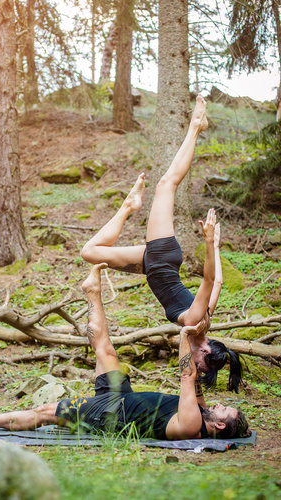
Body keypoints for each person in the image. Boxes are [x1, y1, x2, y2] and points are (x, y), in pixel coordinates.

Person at [0, 264, 250, 441]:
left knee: (45, 413)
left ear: (220, 424)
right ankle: (92, 290)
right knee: (105, 348)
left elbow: (187, 375)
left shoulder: (191, 425)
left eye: (225, 409)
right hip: (123, 399)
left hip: (111, 415)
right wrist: (201, 342)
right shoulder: (199, 410)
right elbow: (196, 372)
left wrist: (185, 334)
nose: (220, 404)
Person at [80, 95, 243, 392]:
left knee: (90, 252)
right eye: (199, 362)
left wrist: (217, 246)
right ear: (205, 350)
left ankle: (129, 205)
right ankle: (196, 126)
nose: (193, 363)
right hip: (162, 257)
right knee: (166, 184)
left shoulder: (205, 322)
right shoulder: (195, 321)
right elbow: (208, 280)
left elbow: (218, 283)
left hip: (150, 265)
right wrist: (208, 242)